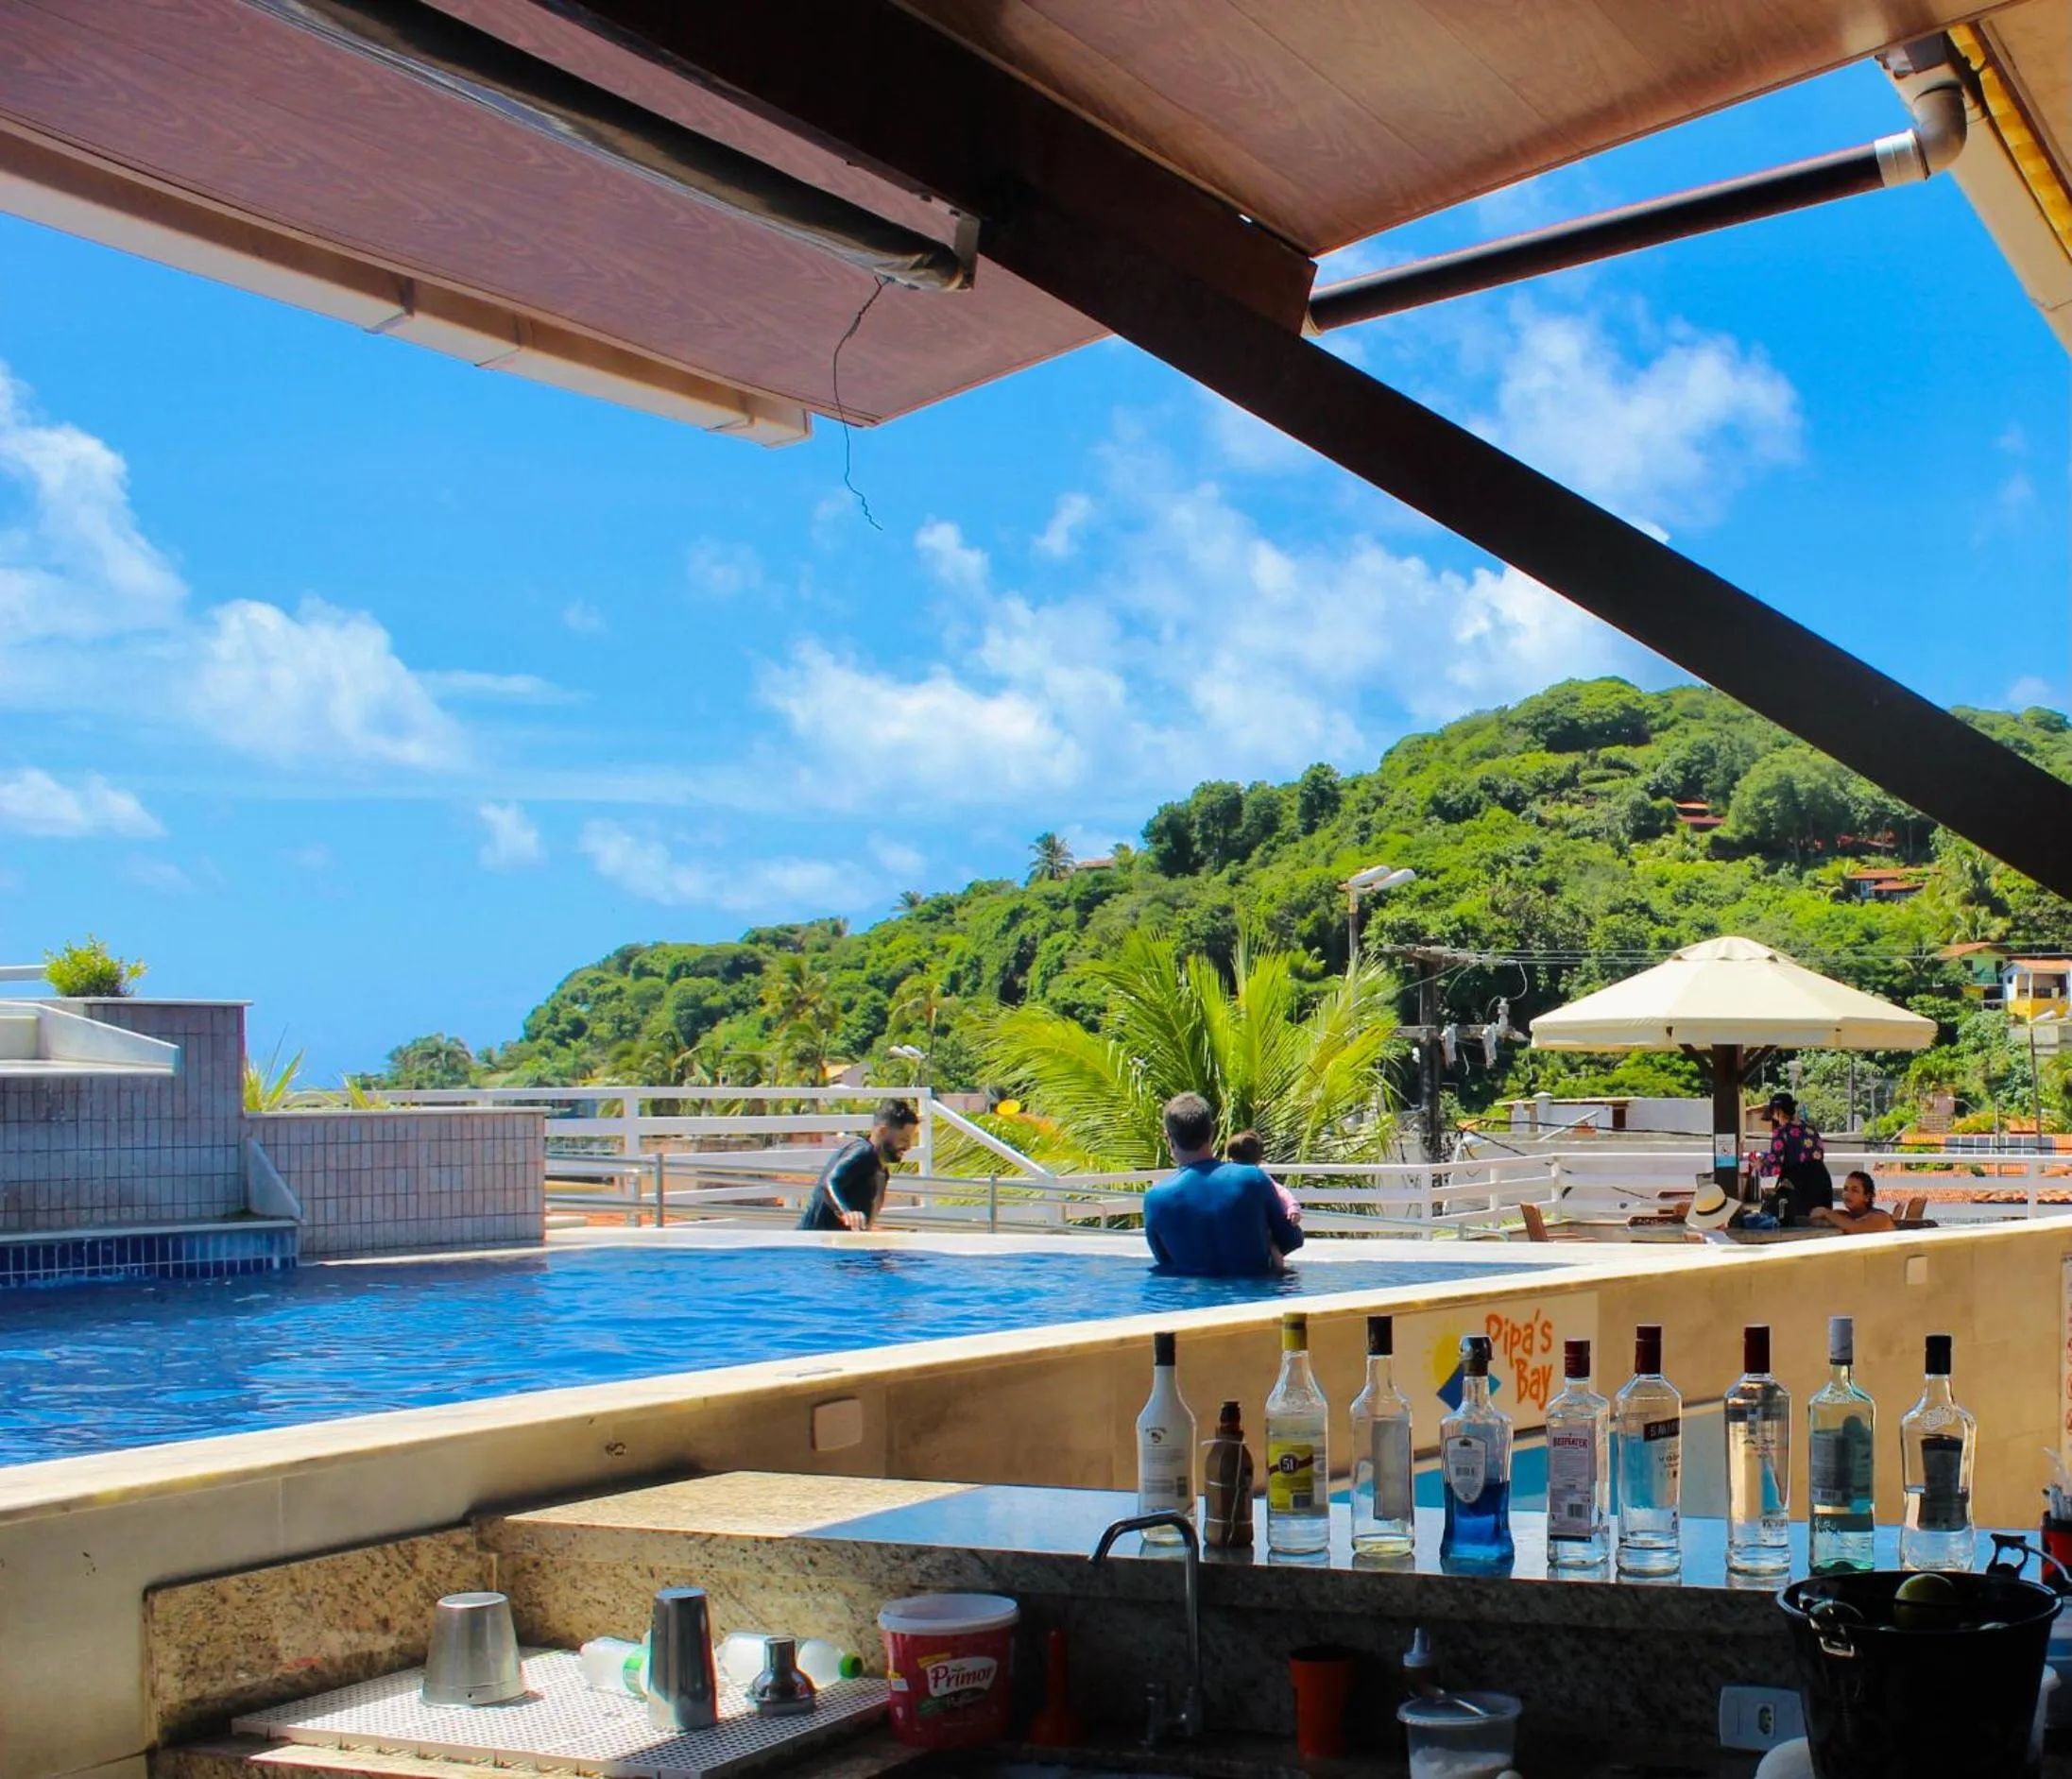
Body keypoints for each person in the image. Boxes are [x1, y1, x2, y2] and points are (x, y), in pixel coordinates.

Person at [1144, 1093, 1304, 1276]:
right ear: (1212, 1130)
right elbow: (1292, 1239)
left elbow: (1165, 1262)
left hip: (1197, 1302)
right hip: (1257, 1297)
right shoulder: (1252, 1178)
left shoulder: (1155, 1198)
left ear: (1169, 1138)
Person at [796, 1100, 919, 1231]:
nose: (908, 1146)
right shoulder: (863, 1153)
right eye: (903, 1139)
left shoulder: (879, 1170)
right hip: (815, 1242)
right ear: (882, 1131)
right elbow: (830, 1183)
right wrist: (846, 1212)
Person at [1755, 1091, 1832, 1224]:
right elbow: (1819, 1154)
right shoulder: (1811, 1129)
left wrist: (1761, 1166)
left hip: (1798, 1185)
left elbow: (1776, 1163)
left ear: (1777, 1111)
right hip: (1822, 1180)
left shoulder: (1781, 1132)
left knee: (1798, 1225)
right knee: (1820, 1224)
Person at [1224, 1128, 1304, 1230]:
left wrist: (1292, 1209)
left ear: (1229, 1159)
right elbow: (1283, 1193)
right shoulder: (1260, 1178)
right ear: (1259, 1160)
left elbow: (1282, 1193)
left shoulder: (1223, 1177)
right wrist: (1293, 1208)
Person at [1809, 1170, 1896, 1236]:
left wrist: (1826, 1213)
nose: (1847, 1194)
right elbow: (1814, 1221)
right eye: (1846, 1189)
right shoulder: (1844, 1216)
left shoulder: (1880, 1217)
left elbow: (1855, 1229)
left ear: (1867, 1197)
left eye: (1854, 1190)